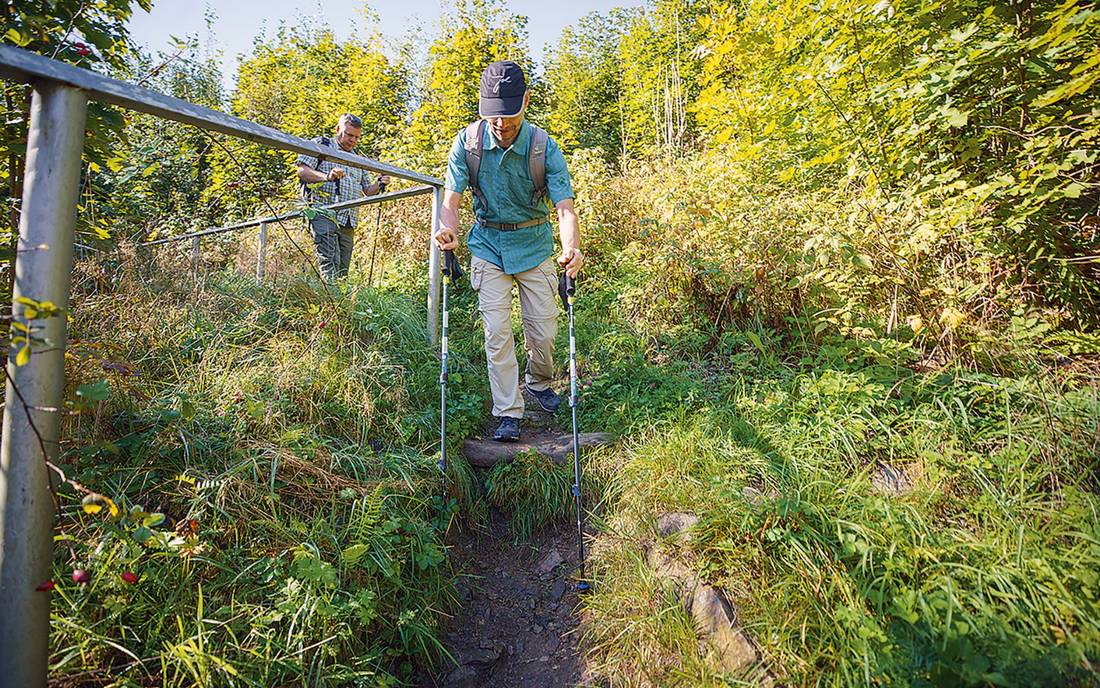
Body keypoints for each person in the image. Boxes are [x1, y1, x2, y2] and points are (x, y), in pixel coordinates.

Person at [433, 60, 585, 442]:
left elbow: (564, 207)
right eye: (494, 119)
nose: (501, 127)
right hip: (487, 245)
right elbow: (451, 199)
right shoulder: (467, 144)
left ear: (527, 102)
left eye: (510, 118)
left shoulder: (542, 147)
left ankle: (539, 382)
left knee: (543, 330)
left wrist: (572, 249)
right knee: (497, 332)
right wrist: (447, 230)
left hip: (534, 245)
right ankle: (508, 410)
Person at [296, 113, 390, 281]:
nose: (352, 140)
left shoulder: (357, 159)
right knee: (329, 263)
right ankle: (329, 301)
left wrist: (380, 183)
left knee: (343, 270)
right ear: (338, 129)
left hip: (349, 219)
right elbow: (302, 171)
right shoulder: (322, 145)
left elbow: (367, 191)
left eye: (356, 137)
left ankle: (340, 303)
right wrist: (327, 176)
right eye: (349, 134)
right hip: (323, 212)